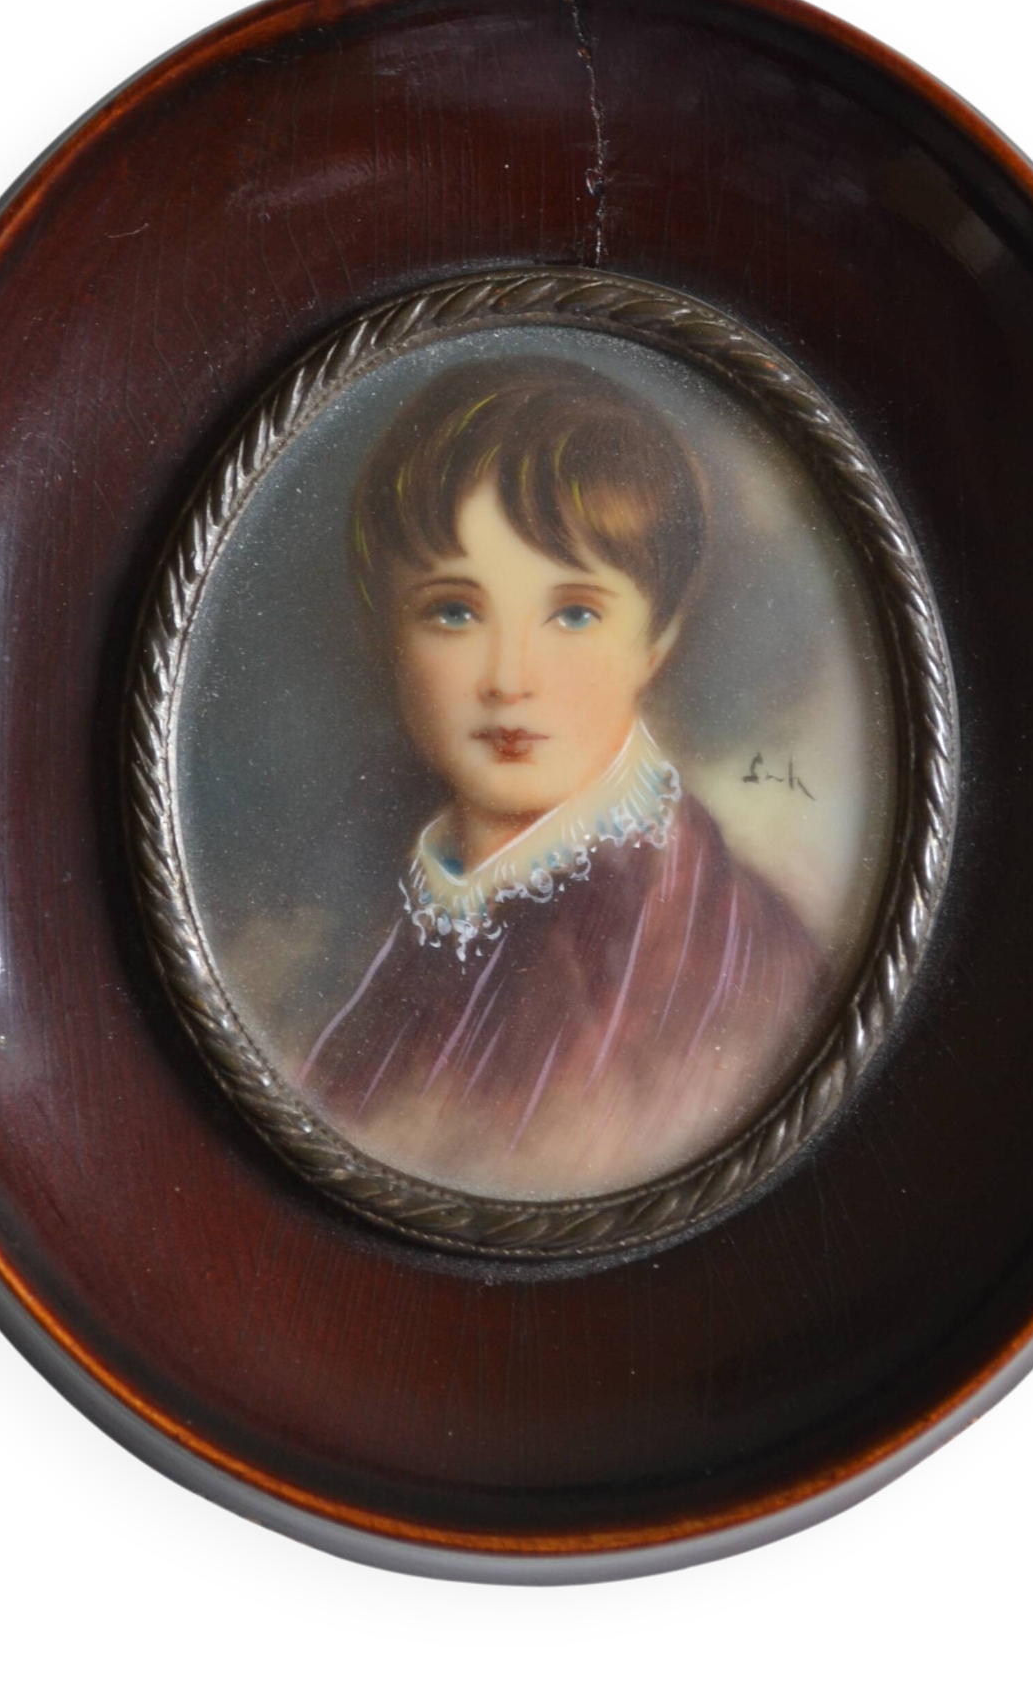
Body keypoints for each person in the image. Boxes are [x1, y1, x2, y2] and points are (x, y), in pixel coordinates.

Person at [299, 356, 831, 1199]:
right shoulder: (429, 899)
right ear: (386, 638)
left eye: (574, 613)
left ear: (653, 645)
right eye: (455, 611)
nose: (510, 678)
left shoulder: (697, 940)